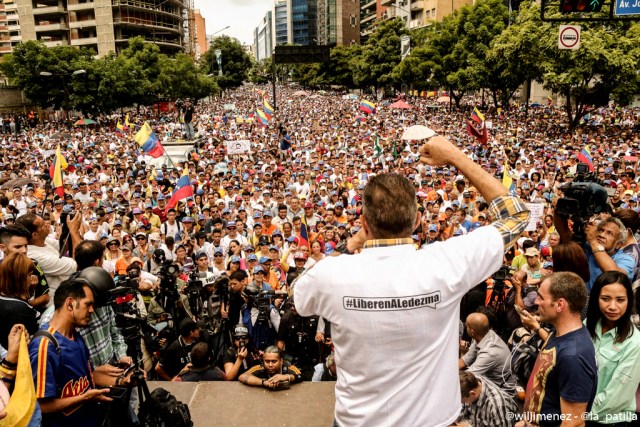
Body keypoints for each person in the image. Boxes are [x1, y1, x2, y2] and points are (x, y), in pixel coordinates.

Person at [294, 135, 530, 427]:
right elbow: (517, 216)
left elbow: (299, 296)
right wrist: (455, 156)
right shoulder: (446, 263)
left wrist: (352, 243)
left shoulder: (331, 274)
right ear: (418, 220)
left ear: (364, 224)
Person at [28, 279, 135, 427]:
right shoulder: (44, 346)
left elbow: (86, 379)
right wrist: (83, 398)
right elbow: (40, 406)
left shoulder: (76, 337)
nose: (92, 310)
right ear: (70, 303)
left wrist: (123, 380)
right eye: (88, 304)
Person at [516, 272, 598, 427]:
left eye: (541, 297)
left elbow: (573, 423)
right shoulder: (561, 332)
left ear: (560, 305)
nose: (536, 301)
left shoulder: (573, 356)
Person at [585, 272, 640, 426]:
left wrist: (576, 414)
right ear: (596, 298)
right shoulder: (587, 324)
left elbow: (614, 398)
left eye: (620, 300)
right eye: (605, 299)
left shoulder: (635, 343)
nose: (613, 307)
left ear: (629, 301)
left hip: (608, 420)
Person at [16, 213, 82, 306]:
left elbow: (64, 247)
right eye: (43, 224)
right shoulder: (35, 255)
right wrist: (74, 232)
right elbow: (80, 262)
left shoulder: (43, 240)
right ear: (35, 235)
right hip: (57, 306)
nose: (47, 224)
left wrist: (69, 231)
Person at [459, 312, 515, 393]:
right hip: (487, 379)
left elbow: (466, 378)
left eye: (467, 325)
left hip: (501, 391)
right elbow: (467, 359)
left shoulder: (490, 353)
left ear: (472, 331)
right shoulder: (482, 335)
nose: (465, 326)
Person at [0, 253, 40, 351]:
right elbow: (21, 348)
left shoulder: (5, 296)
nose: (32, 279)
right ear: (19, 278)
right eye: (29, 275)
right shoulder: (18, 310)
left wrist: (31, 289)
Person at [238, 345, 302, 390]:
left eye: (274, 361)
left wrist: (287, 377)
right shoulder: (260, 368)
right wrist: (263, 382)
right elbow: (242, 376)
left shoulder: (289, 368)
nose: (270, 365)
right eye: (267, 361)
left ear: (281, 361)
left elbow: (301, 376)